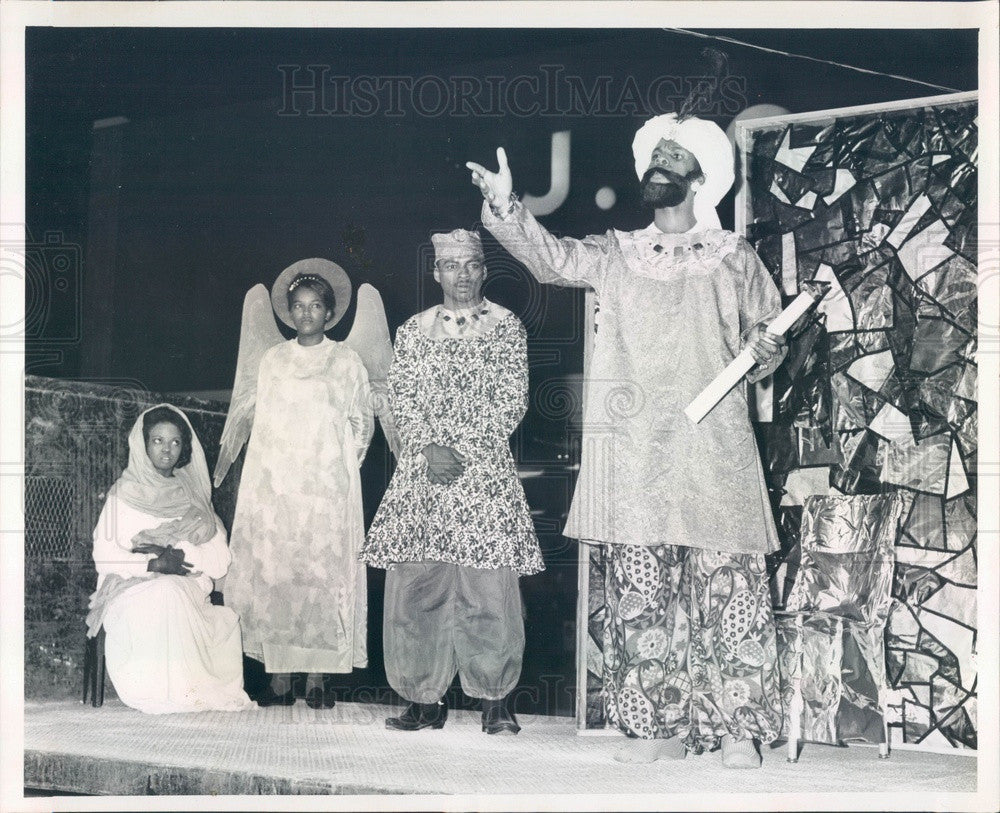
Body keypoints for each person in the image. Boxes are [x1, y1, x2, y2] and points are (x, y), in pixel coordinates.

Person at [467, 112, 787, 768]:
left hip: (715, 449)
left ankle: (738, 730)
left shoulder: (738, 258)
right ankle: (657, 727)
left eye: (672, 157)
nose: (657, 168)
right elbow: (552, 259)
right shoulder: (616, 253)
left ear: (701, 178)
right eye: (652, 157)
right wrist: (505, 205)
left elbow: (769, 339)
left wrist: (770, 347)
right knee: (640, 592)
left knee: (730, 589)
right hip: (636, 453)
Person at [365, 228, 544, 735]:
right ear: (436, 272)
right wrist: (427, 447)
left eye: (470, 265)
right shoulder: (413, 330)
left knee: (487, 589)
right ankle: (424, 699)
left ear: (484, 270)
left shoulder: (508, 328)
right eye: (451, 266)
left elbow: (512, 398)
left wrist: (460, 449)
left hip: (482, 471)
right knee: (417, 586)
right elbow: (402, 395)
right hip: (424, 471)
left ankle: (495, 700)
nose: (461, 276)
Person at [223, 263, 374, 708]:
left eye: (315, 307)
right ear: (288, 312)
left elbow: (361, 421)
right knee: (280, 574)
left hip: (325, 486)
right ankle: (280, 678)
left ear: (330, 313)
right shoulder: (273, 360)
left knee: (321, 576)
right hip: (279, 486)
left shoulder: (347, 362)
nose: (306, 314)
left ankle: (318, 678)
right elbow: (261, 422)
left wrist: (341, 469)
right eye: (298, 307)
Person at [87, 404, 252, 714]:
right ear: (143, 443)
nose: (166, 449)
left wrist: (184, 554)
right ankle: (162, 692)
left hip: (188, 589)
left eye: (175, 442)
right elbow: (104, 555)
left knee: (175, 592)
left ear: (184, 447)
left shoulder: (194, 497)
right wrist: (153, 564)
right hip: (131, 589)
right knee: (164, 592)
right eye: (158, 440)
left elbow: (219, 561)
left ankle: (188, 691)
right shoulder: (122, 494)